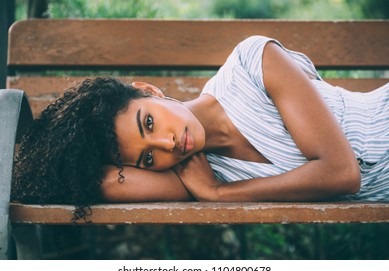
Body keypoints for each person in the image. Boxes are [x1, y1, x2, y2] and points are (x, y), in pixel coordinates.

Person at [12, 36, 389, 207]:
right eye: (147, 158)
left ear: (149, 90)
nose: (167, 145)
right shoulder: (194, 172)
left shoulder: (252, 65)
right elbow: (101, 180)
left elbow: (341, 173)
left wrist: (220, 196)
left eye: (148, 124)